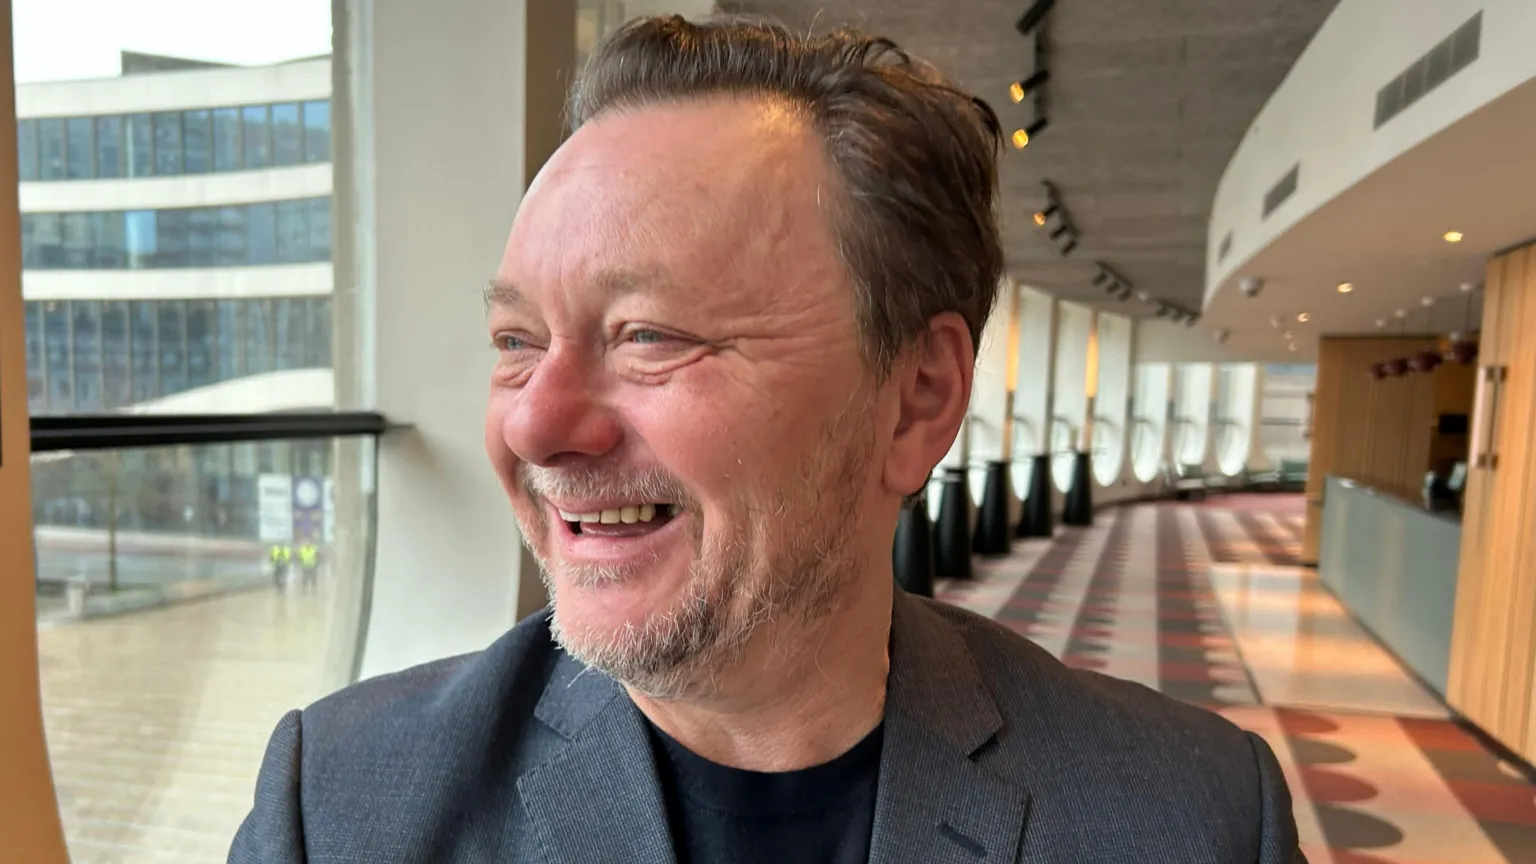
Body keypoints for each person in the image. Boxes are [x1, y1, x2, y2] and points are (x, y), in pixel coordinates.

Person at [230, 15, 1303, 864]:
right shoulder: (343, 806)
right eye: (516, 340)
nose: (533, 423)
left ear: (917, 398)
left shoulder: (1190, 818)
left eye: (649, 336)